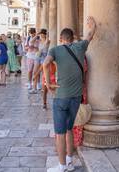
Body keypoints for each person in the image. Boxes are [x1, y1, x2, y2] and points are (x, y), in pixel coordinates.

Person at [43, 16, 96, 172]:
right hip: (76, 97)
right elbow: (90, 35)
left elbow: (45, 64)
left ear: (61, 39)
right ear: (72, 38)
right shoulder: (80, 47)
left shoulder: (55, 49)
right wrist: (92, 26)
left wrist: (49, 84)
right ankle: (69, 161)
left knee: (59, 133)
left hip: (61, 97)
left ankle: (62, 167)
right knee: (69, 129)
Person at [31, 29, 51, 95]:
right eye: (41, 33)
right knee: (35, 72)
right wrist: (37, 34)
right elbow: (31, 41)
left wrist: (47, 34)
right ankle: (34, 88)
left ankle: (43, 88)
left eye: (43, 33)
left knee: (43, 74)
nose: (41, 35)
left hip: (44, 57)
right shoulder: (38, 40)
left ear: (45, 34)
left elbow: (46, 43)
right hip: (38, 56)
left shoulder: (47, 41)